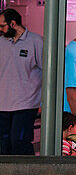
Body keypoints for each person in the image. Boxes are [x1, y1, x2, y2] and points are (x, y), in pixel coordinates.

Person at [0, 8, 43, 155]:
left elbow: (48, 72)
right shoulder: (1, 43)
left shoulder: (36, 42)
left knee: (19, 142)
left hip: (26, 104)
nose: (0, 29)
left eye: (2, 26)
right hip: (3, 105)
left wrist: (43, 102)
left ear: (13, 24)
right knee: (4, 145)